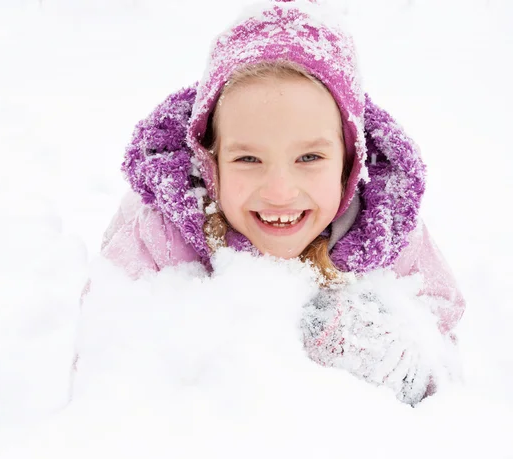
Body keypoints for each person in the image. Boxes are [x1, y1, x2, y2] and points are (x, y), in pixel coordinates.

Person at [78, 0, 465, 405]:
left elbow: (443, 337)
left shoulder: (387, 233)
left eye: (309, 158)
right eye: (248, 159)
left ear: (349, 162)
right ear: (210, 161)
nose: (280, 191)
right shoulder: (161, 234)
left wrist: (403, 368)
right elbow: (104, 351)